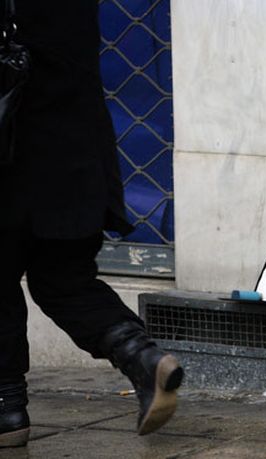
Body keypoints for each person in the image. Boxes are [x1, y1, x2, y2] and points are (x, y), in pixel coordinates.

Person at [0, 1, 182, 447]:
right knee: (65, 281)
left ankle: (7, 410)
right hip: (75, 157)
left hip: (12, 159)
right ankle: (143, 357)